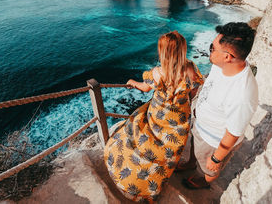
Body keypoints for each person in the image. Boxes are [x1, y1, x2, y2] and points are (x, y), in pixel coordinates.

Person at [104, 31, 204, 202]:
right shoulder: (190, 68)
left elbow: (144, 88)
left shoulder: (158, 72)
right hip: (180, 116)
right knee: (168, 150)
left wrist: (132, 83)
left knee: (142, 138)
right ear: (182, 50)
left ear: (163, 53)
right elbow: (194, 90)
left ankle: (137, 178)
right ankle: (158, 178)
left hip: (159, 115)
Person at [180, 22, 258, 189]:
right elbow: (210, 82)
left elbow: (233, 133)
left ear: (227, 56)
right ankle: (191, 163)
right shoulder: (222, 65)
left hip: (213, 141)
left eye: (212, 48)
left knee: (208, 168)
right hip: (200, 126)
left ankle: (202, 182)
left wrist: (216, 159)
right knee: (196, 151)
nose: (210, 51)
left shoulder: (242, 94)